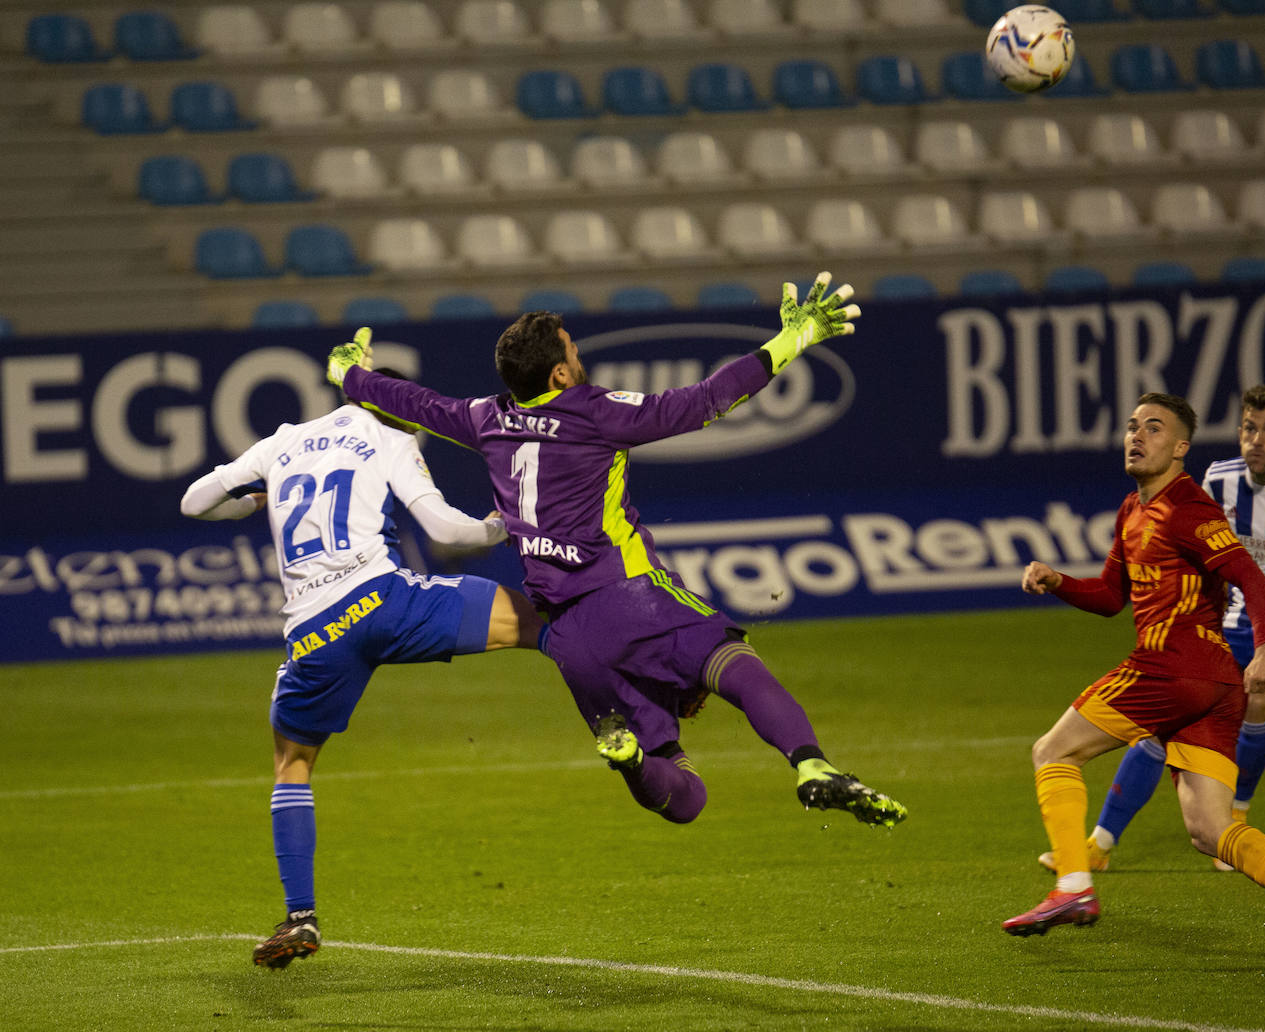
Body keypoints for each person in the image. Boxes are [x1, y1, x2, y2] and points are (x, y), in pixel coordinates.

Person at [324, 274, 908, 831]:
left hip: (572, 641)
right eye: (572, 350)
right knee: (732, 662)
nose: (579, 356)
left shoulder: (485, 418)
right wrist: (792, 339)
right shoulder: (594, 412)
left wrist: (348, 374)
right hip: (631, 599)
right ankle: (811, 765)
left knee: (683, 795)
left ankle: (631, 761)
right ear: (558, 373)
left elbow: (411, 400)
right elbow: (705, 401)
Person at [181, 372, 545, 970]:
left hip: (315, 634)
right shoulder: (390, 436)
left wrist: (252, 500)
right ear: (396, 406)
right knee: (535, 622)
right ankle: (633, 710)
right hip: (385, 601)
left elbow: (193, 502)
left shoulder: (282, 441)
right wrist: (503, 526)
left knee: (292, 765)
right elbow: (447, 531)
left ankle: (301, 915)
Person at [1008, 392, 1265, 969]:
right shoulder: (1132, 510)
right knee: (1210, 829)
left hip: (1175, 663)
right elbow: (1111, 597)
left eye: (1156, 428)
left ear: (1181, 449)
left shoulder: (1188, 507)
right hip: (1213, 685)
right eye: (1133, 425)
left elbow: (1251, 579)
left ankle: (1072, 887)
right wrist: (1059, 580)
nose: (1137, 435)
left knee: (1053, 751)